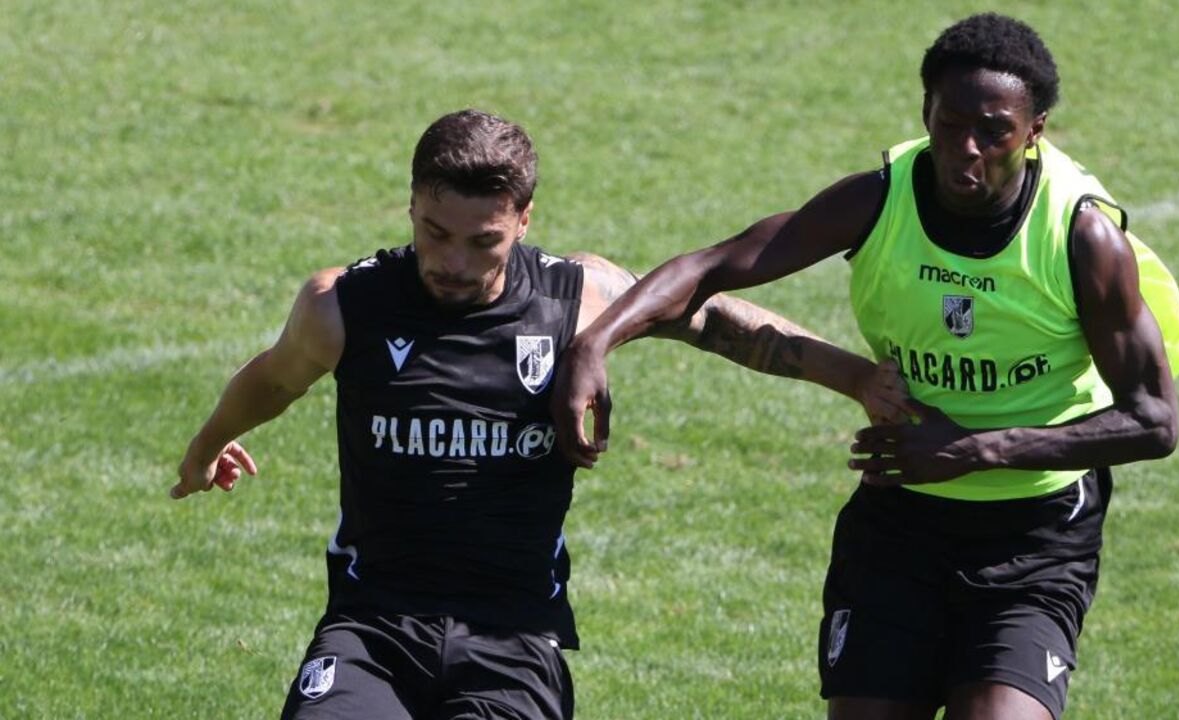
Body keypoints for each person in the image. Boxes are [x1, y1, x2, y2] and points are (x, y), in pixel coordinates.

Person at [551, 13, 1179, 720]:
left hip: (1034, 536)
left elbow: (1154, 421)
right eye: (949, 125)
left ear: (1036, 130)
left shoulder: (1082, 239)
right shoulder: (879, 199)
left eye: (994, 132)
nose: (966, 152)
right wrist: (594, 344)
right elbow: (713, 266)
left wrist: (976, 451)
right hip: (900, 521)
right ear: (926, 112)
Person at [170, 108, 908, 720]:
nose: (452, 261)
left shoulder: (574, 297)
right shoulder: (346, 304)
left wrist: (857, 380)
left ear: (524, 219)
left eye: (482, 241)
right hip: (371, 625)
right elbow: (274, 380)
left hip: (515, 638)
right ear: (411, 206)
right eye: (434, 232)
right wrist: (208, 446)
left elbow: (721, 324)